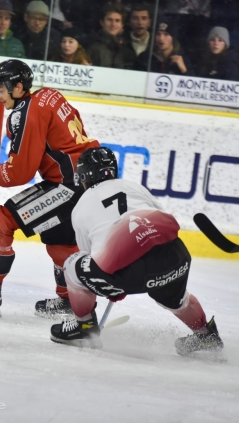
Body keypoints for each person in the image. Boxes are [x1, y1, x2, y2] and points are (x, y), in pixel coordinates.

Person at [0, 60, 99, 317]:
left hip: (67, 186)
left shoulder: (27, 112)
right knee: (60, 240)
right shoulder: (48, 95)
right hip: (84, 181)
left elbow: (21, 170)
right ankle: (71, 300)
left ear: (18, 87)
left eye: (0, 89)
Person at [49, 147, 224, 356]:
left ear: (84, 176)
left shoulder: (80, 207)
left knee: (72, 263)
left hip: (129, 273)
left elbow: (91, 258)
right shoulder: (133, 186)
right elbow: (161, 217)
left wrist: (112, 286)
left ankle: (84, 327)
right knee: (176, 299)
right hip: (176, 257)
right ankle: (206, 336)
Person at [87, 3, 136, 69]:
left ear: (122, 25)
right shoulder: (90, 45)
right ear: (102, 22)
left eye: (117, 21)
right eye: (109, 20)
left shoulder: (127, 49)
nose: (113, 24)